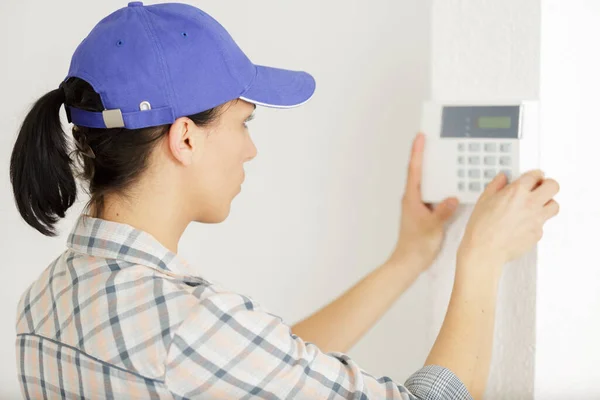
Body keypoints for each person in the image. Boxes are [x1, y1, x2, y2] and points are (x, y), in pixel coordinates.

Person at [10, 2, 560, 400]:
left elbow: (260, 368)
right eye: (244, 122)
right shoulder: (189, 327)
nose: (250, 149)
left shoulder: (44, 301)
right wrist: (481, 259)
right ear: (185, 138)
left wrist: (408, 259)